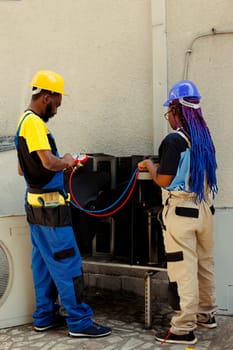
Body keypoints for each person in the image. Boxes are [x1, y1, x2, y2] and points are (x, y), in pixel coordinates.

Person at [14, 70, 112, 338]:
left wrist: (56, 169)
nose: (56, 110)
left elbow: (24, 170)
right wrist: (67, 161)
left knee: (44, 263)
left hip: (34, 204)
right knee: (68, 261)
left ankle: (44, 317)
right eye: (57, 103)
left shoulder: (23, 121)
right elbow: (47, 162)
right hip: (50, 210)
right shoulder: (34, 123)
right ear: (46, 97)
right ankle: (80, 322)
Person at [138, 80, 218, 345]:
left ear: (176, 109)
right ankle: (206, 314)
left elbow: (163, 180)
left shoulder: (174, 140)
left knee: (183, 270)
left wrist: (150, 165)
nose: (169, 118)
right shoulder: (203, 138)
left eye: (169, 112)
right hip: (205, 209)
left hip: (182, 213)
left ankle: (183, 328)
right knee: (204, 265)